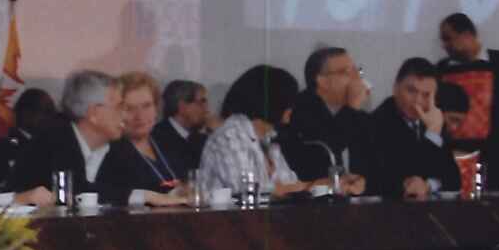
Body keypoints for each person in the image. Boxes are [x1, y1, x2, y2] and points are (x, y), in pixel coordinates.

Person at [8, 70, 129, 206]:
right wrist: (133, 195)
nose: (125, 115)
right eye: (119, 107)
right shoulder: (46, 147)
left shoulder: (122, 148)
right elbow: (69, 194)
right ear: (94, 113)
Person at [195, 65, 312, 199]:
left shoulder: (268, 137)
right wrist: (306, 187)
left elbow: (289, 183)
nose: (293, 107)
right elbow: (246, 190)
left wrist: (311, 187)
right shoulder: (229, 136)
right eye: (289, 101)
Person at [361, 58, 462, 201]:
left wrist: (428, 185)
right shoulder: (375, 123)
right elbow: (409, 176)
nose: (417, 101)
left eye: (426, 95)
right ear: (395, 88)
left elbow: (454, 178)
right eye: (411, 91)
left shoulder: (434, 121)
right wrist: (432, 134)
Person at [277, 45, 371, 193]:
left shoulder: (359, 116)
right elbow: (326, 149)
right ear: (322, 80)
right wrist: (351, 108)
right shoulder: (300, 110)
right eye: (347, 72)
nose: (357, 78)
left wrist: (360, 181)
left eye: (357, 71)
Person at [434, 12, 499, 151]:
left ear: (467, 35)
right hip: (452, 152)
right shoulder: (440, 70)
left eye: (448, 38)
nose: (444, 45)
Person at [97, 71, 191, 204]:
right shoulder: (108, 152)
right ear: (116, 111)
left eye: (146, 106)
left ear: (156, 108)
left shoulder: (170, 143)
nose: (139, 116)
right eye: (129, 108)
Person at [152, 79, 214, 178]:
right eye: (202, 102)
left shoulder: (203, 138)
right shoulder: (156, 139)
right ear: (182, 107)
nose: (207, 109)